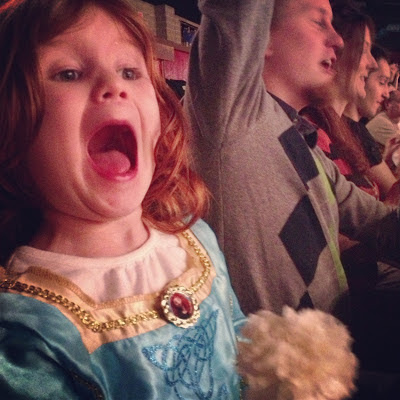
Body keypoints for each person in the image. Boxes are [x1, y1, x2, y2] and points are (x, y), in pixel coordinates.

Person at [0, 1, 247, 398]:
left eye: (130, 71)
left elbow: (240, 341)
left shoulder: (195, 239)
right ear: (10, 124)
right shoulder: (27, 330)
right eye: (69, 73)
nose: (114, 86)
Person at [185, 0, 400, 318]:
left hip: (331, 338)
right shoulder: (234, 115)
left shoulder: (308, 145)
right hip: (280, 350)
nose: (338, 40)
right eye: (319, 22)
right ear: (262, 36)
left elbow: (378, 224)